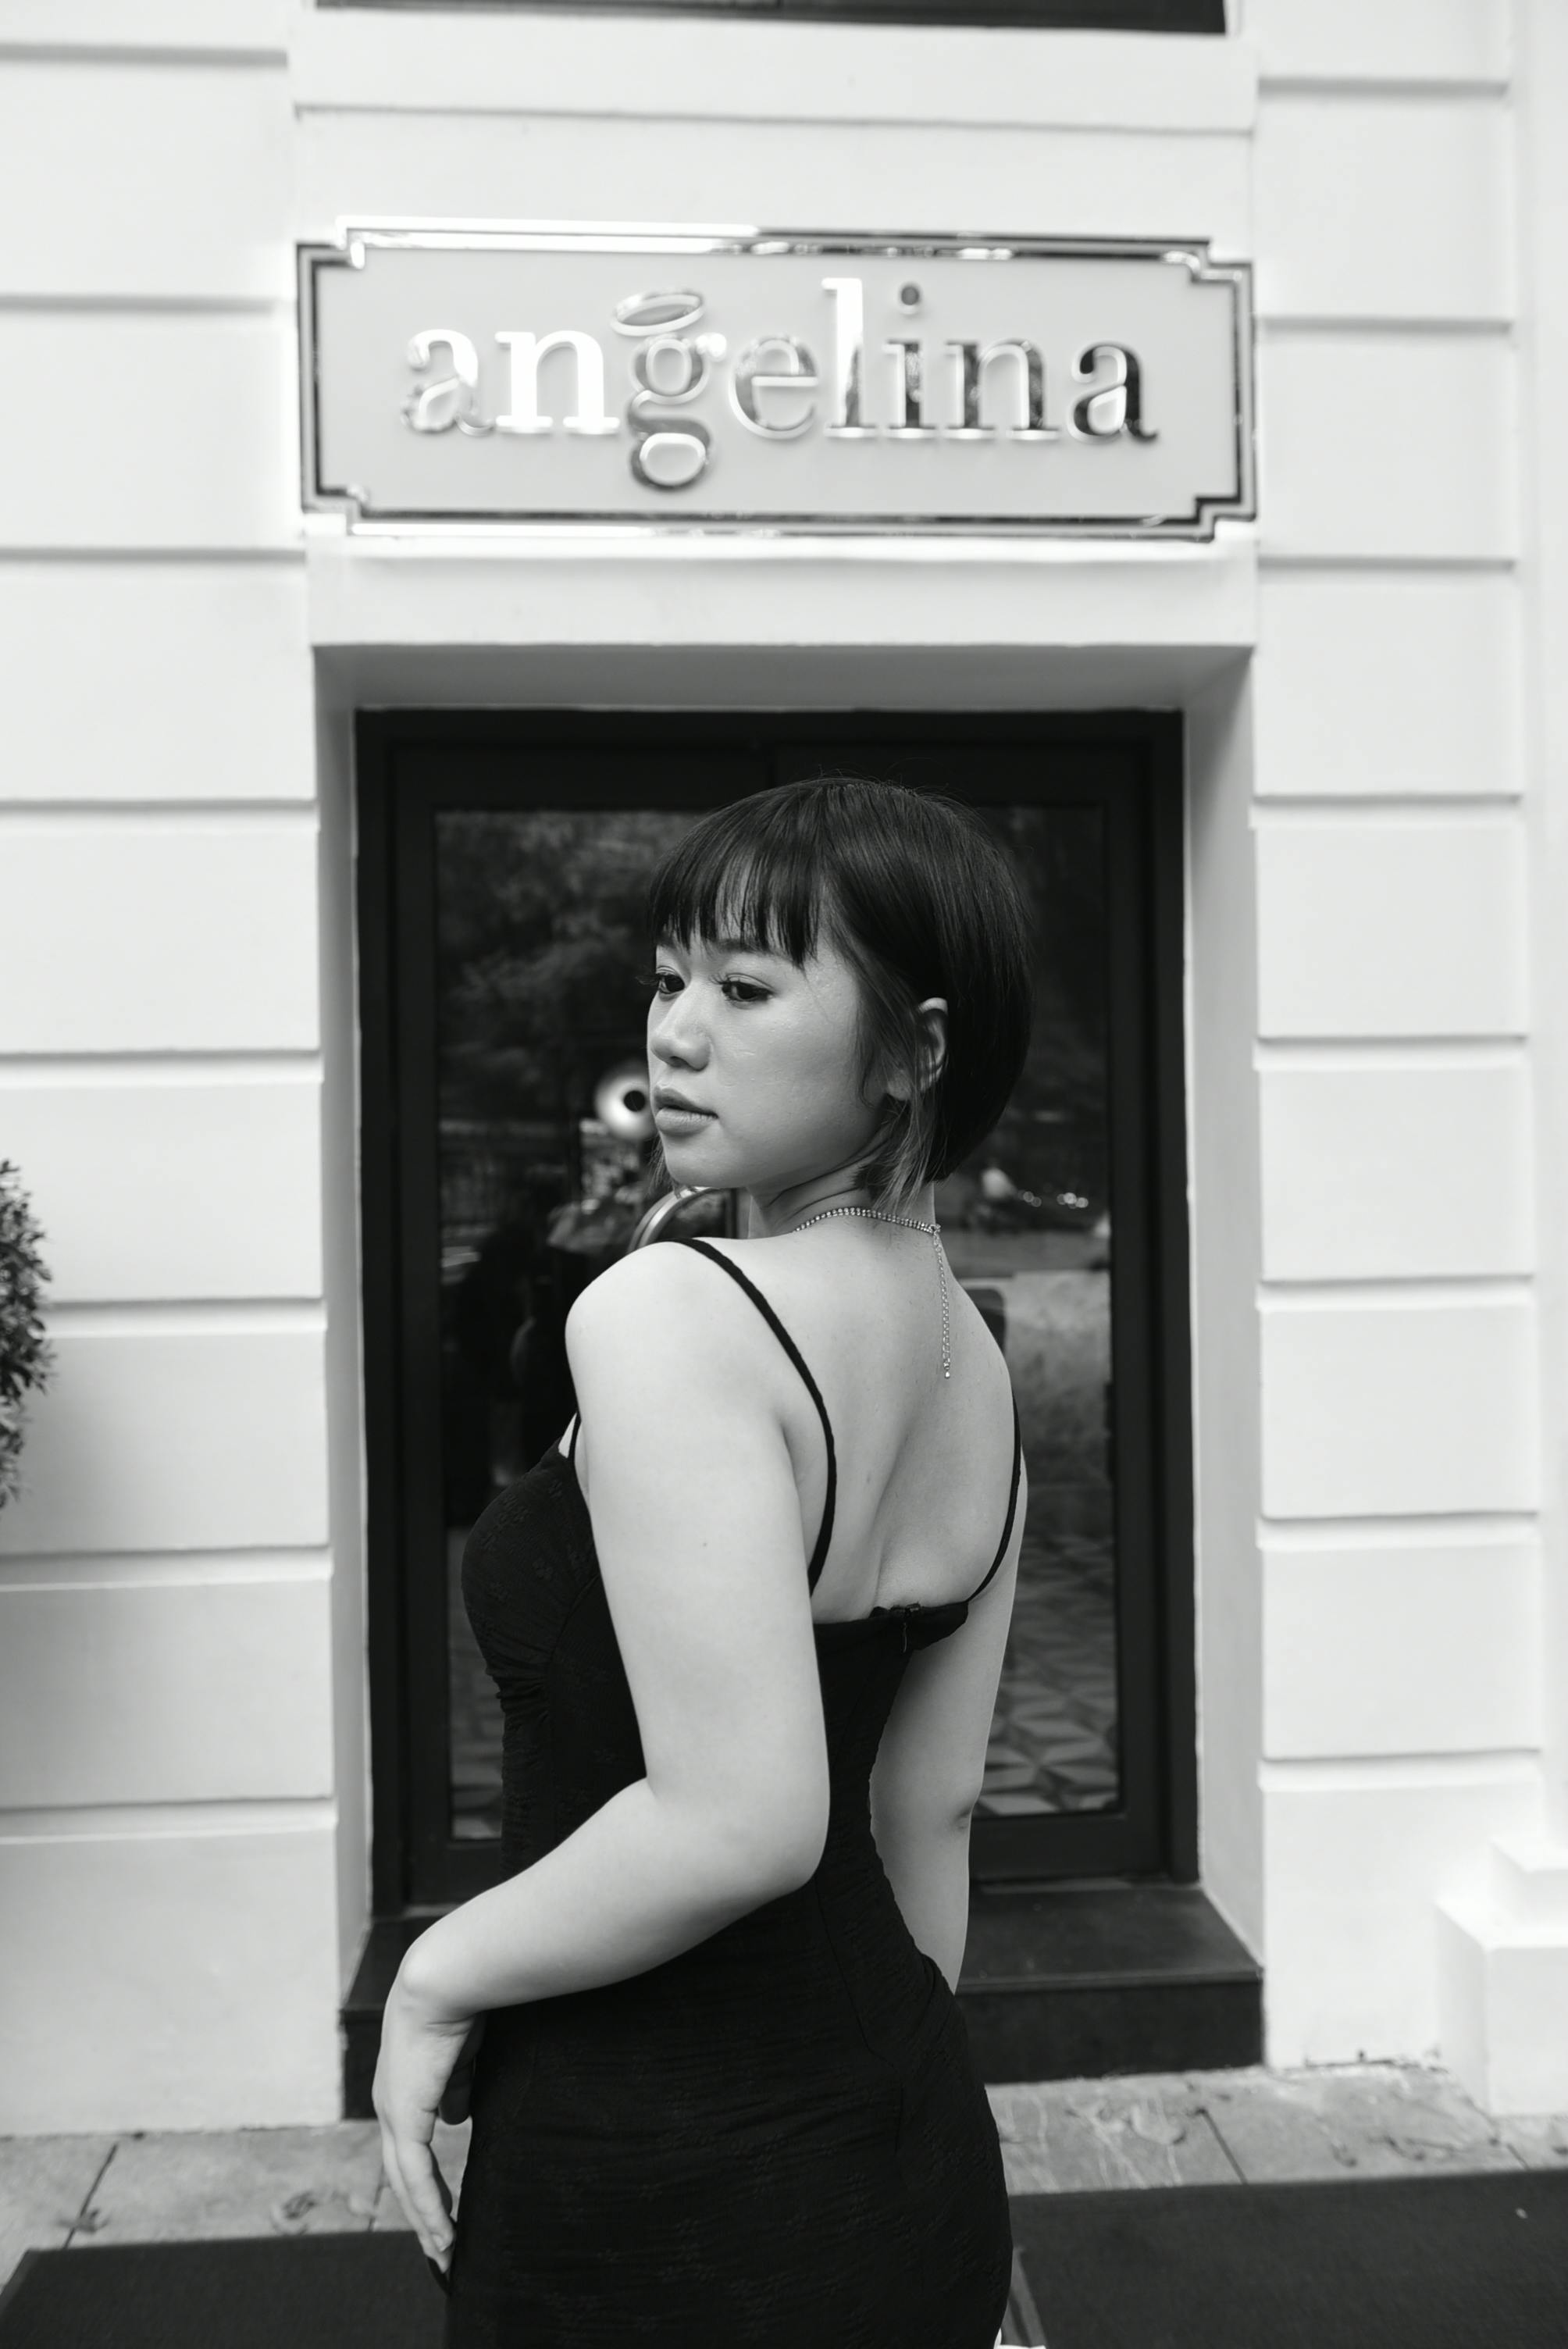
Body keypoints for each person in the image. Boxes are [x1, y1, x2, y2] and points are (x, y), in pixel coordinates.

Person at [372, 774, 1035, 2347]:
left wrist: (433, 1974)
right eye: (669, 976)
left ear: (912, 1051)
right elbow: (926, 1806)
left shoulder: (672, 1319)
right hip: (904, 2136)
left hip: (659, 2180)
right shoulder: (976, 1359)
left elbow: (742, 1819)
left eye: (744, 987)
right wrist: (881, 2094)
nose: (674, 1029)